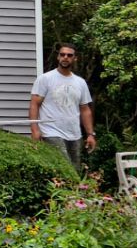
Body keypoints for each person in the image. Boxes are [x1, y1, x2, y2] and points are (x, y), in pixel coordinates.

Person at [30, 42, 96, 171]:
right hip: (51, 132)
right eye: (62, 54)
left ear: (75, 58)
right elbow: (34, 104)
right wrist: (35, 130)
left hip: (74, 134)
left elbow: (85, 109)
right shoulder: (46, 79)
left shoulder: (80, 82)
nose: (65, 57)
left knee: (75, 170)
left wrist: (90, 134)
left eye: (69, 55)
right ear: (58, 57)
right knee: (63, 168)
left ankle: (72, 191)